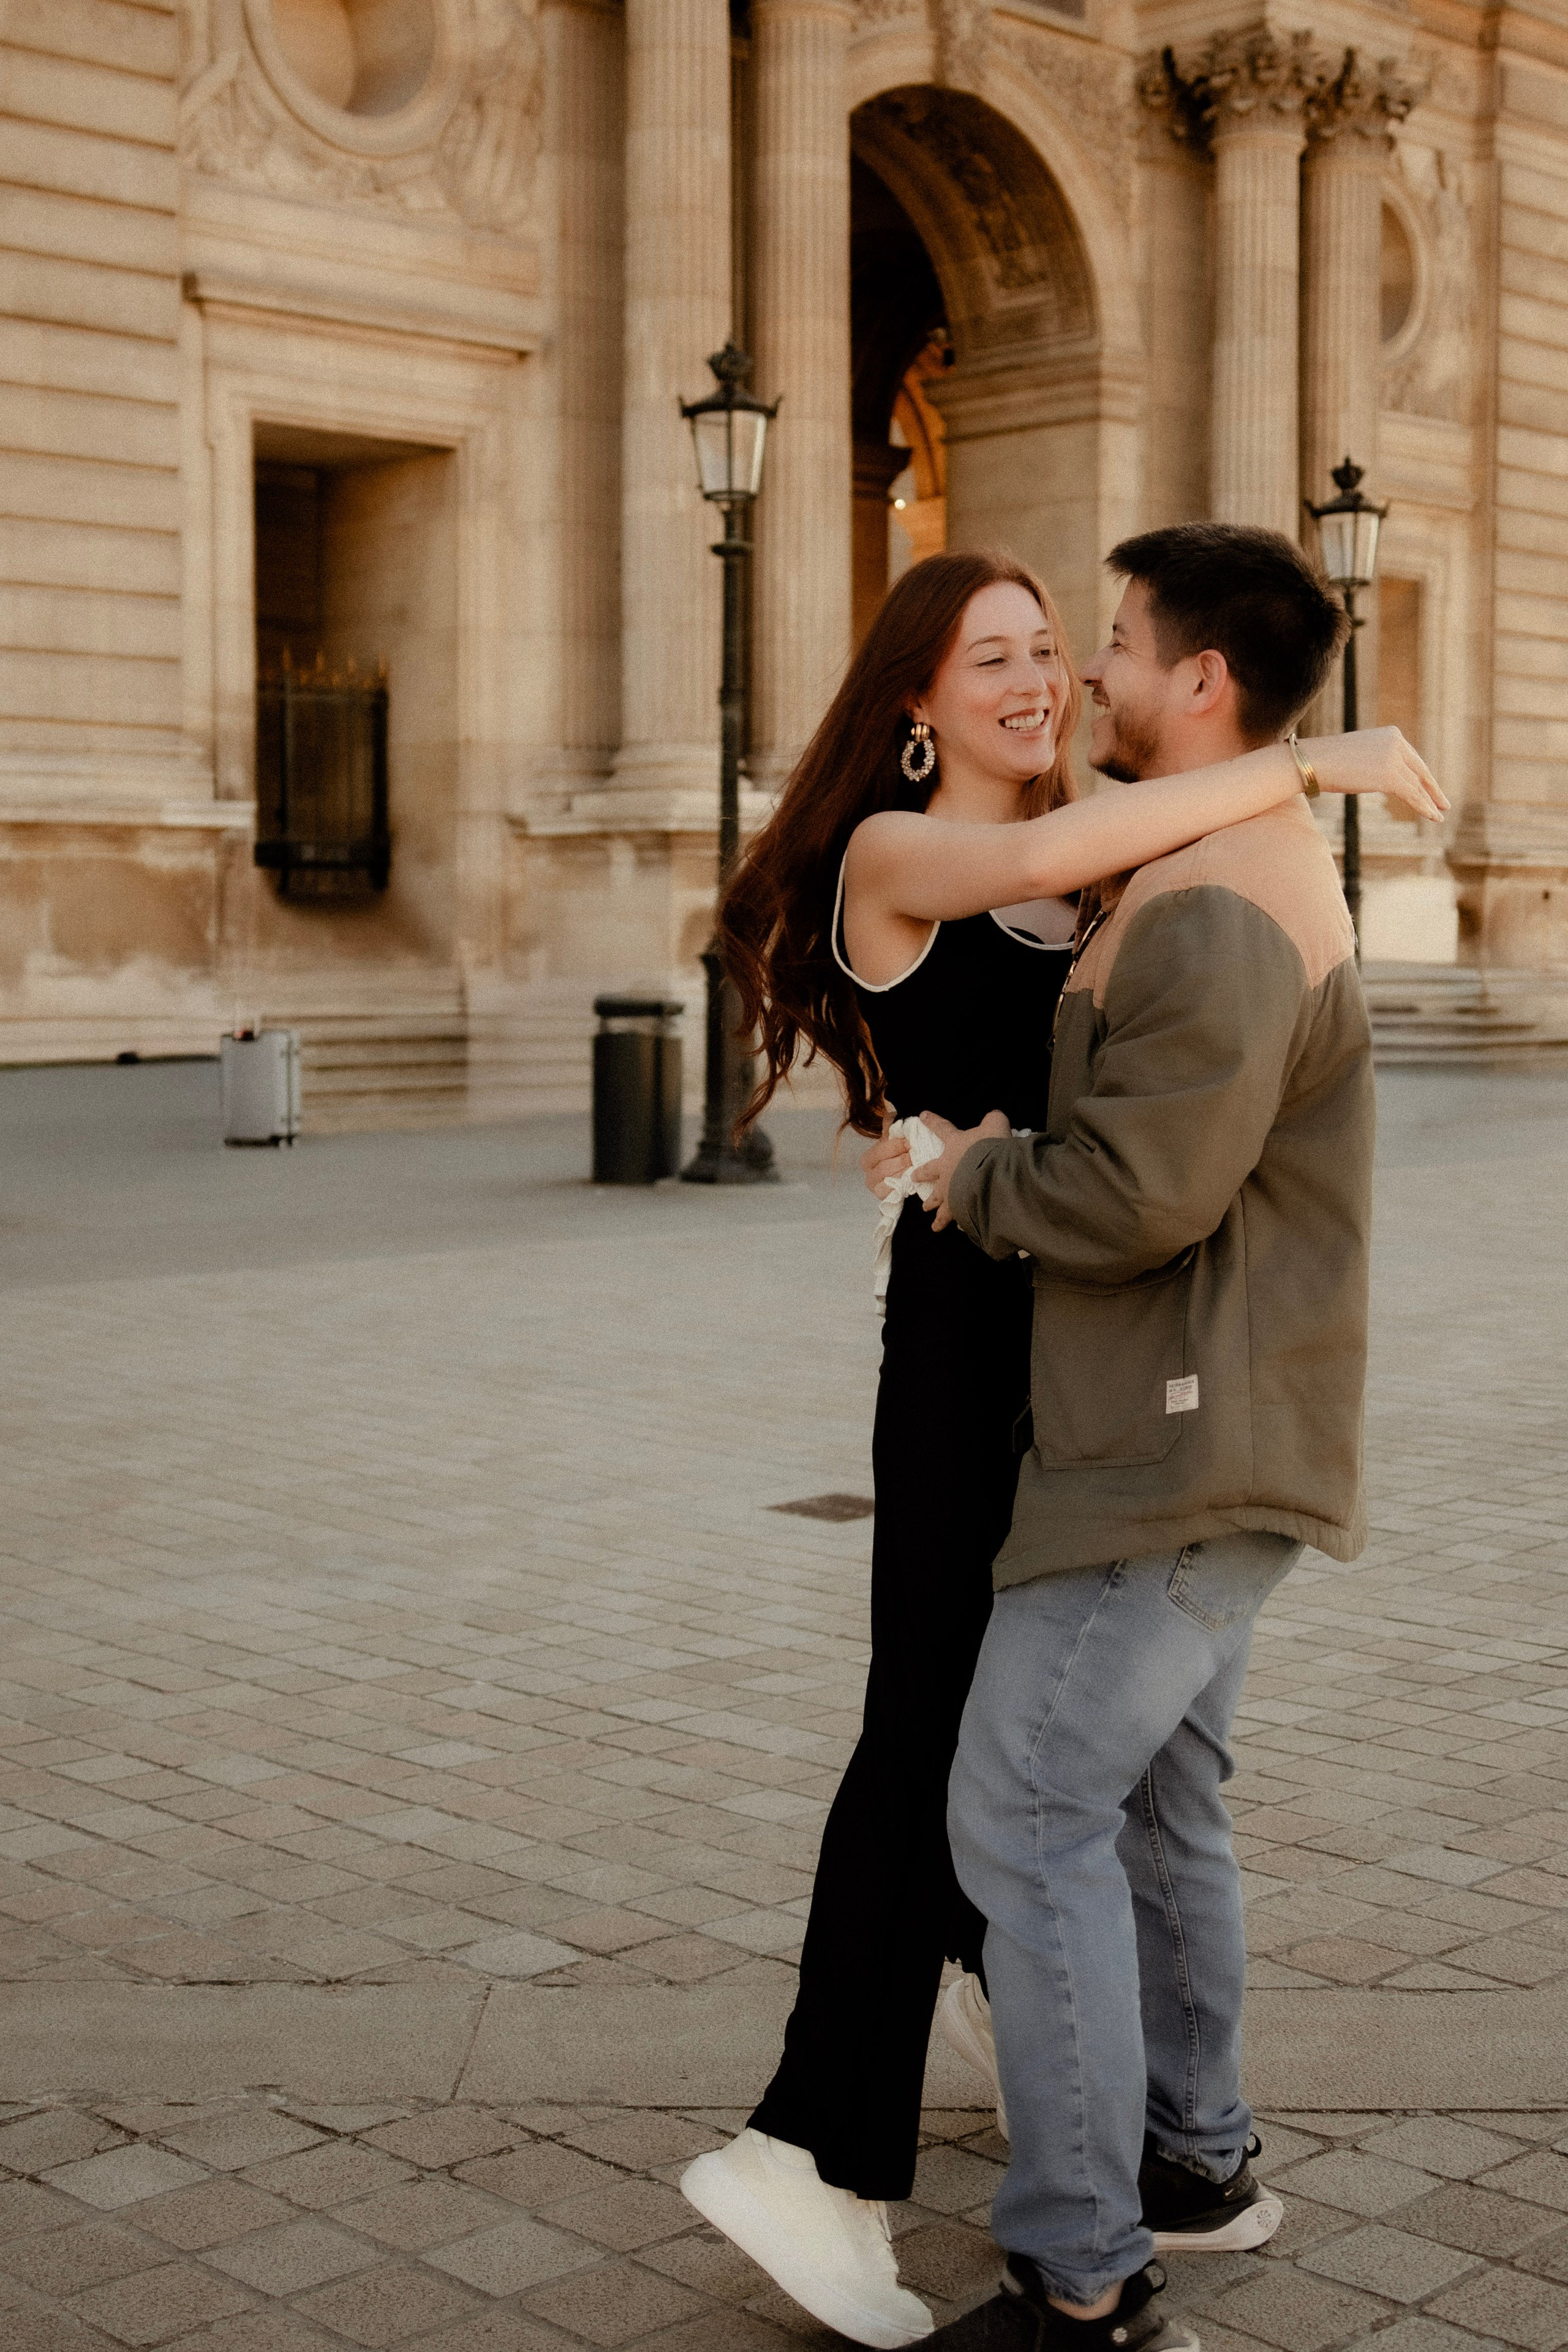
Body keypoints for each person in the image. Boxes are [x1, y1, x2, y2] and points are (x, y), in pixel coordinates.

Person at [679, 547, 1446, 2352]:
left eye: (1060, 647)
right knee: (944, 1741)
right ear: (916, 704)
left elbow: (1137, 971)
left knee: (1098, 1773)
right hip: (971, 1356)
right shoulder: (903, 851)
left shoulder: (1126, 845)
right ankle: (816, 2145)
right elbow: (1033, 880)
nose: (1040, 680)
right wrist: (1312, 761)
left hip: (1101, 1362)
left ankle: (1057, 2044)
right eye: (995, 658)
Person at [896, 523, 1422, 2352]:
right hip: (1227, 1425)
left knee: (1026, 1806)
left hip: (1175, 1445)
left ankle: (1083, 2272)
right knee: (1155, 1800)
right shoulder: (1219, 861)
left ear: (1202, 682)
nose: (1094, 676)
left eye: (1116, 642)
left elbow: (1140, 1193)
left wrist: (967, 1171)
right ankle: (1194, 2159)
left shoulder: (1212, 898)